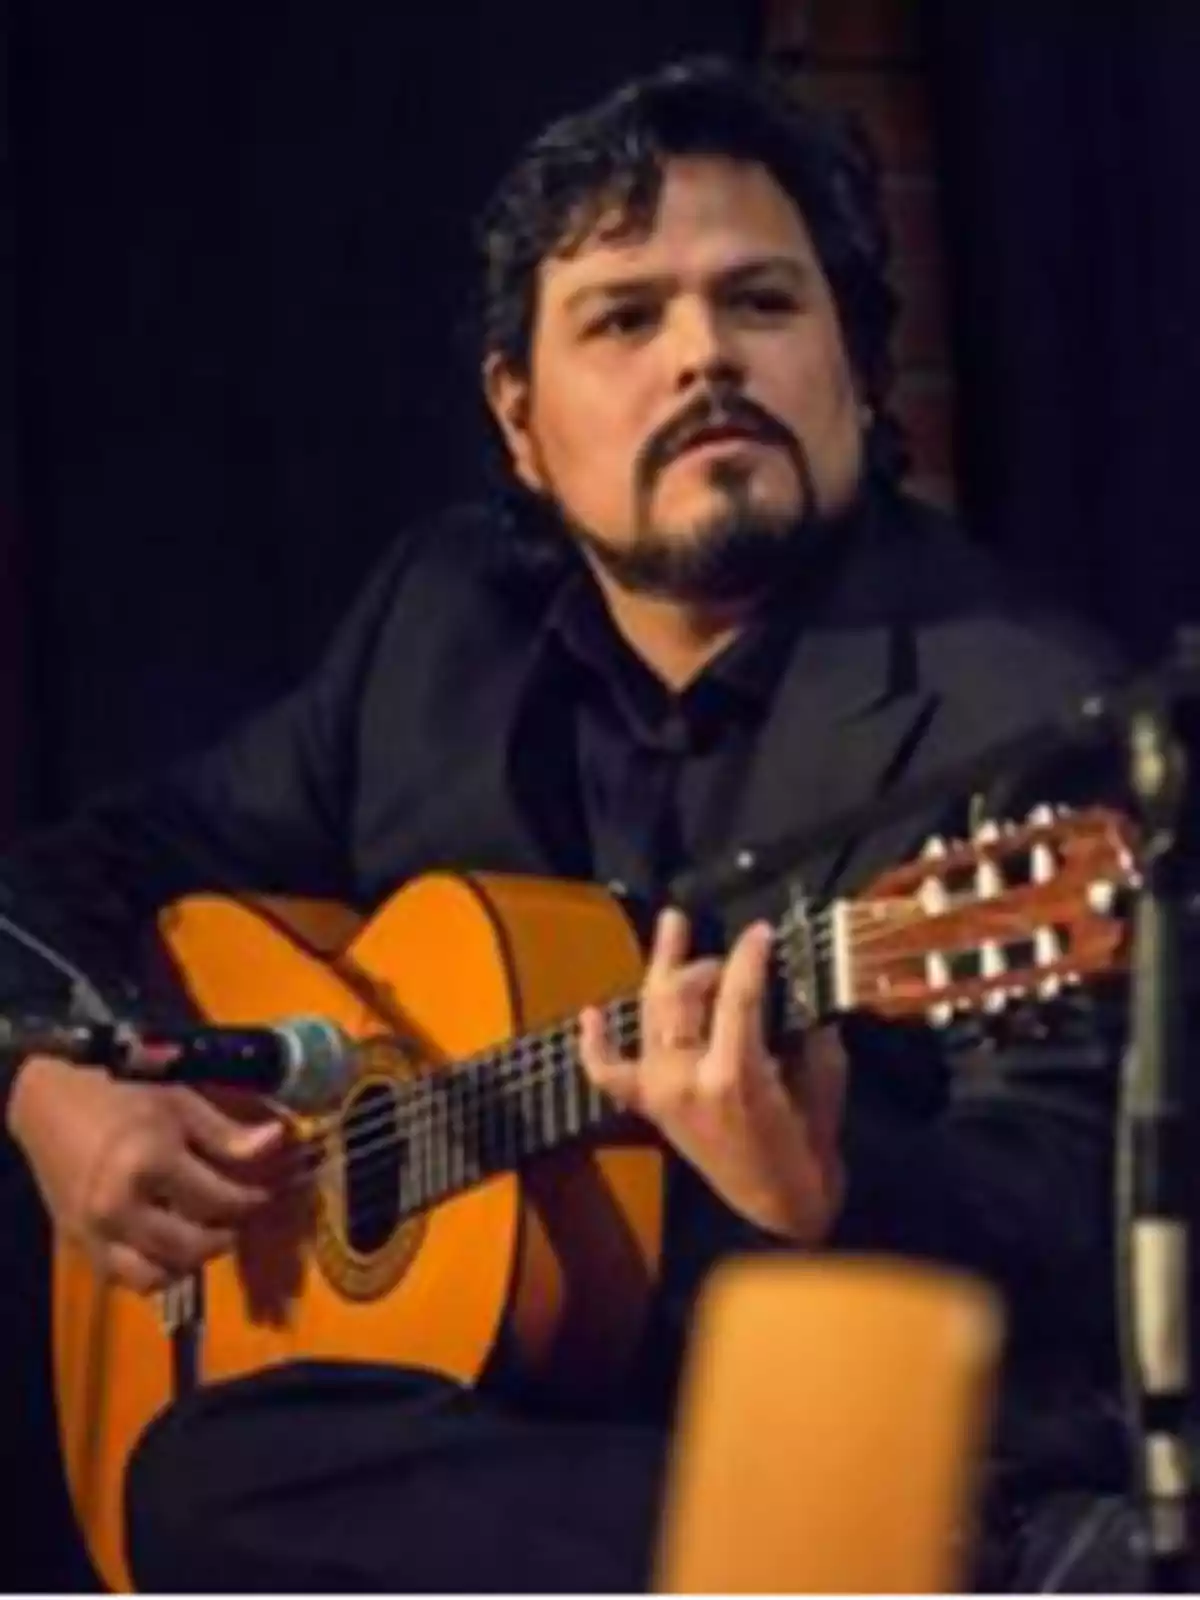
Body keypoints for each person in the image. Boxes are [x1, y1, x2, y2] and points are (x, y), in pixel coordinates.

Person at [0, 55, 1143, 1592]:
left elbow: (1089, 1229)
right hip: (533, 1446)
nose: (703, 361)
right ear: (521, 419)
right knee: (199, 1472)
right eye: (626, 318)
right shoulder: (438, 627)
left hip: (859, 1434)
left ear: (861, 377)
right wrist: (48, 1080)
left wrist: (835, 1190)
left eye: (762, 304)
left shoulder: (1029, 707)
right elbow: (80, 873)